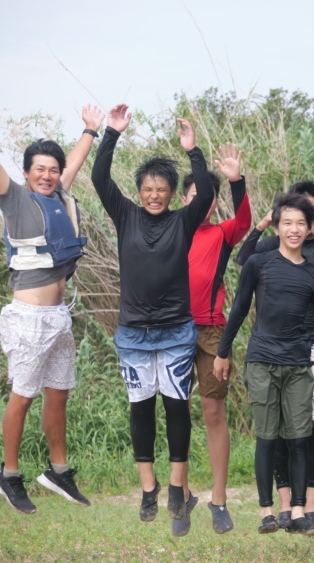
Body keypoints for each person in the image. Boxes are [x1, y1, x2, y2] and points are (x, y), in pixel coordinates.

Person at [0, 93, 103, 514]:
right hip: (28, 317)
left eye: (52, 170)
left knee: (59, 392)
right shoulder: (14, 198)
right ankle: (8, 475)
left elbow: (75, 162)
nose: (47, 176)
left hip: (58, 316)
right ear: (27, 174)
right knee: (23, 396)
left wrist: (90, 130)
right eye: (39, 170)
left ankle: (57, 470)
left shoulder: (58, 196)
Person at [91, 104, 214, 537]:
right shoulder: (125, 216)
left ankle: (178, 488)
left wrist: (193, 150)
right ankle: (149, 489)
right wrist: (112, 133)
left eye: (162, 188)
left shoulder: (183, 221)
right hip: (133, 335)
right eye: (148, 188)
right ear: (139, 190)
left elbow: (208, 192)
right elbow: (99, 179)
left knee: (177, 408)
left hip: (177, 332)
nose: (155, 195)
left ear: (170, 192)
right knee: (141, 410)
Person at [214, 193, 314, 537]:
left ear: (310, 227)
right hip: (262, 362)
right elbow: (238, 309)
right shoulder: (259, 263)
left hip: (300, 366)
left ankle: (299, 510)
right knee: (267, 437)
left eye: (301, 223)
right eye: (287, 223)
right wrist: (223, 353)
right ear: (278, 226)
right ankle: (267, 511)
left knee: (300, 438)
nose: (294, 229)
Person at [180, 143, 251, 533]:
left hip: (210, 330)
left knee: (212, 412)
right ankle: (182, 494)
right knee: (178, 415)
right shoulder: (169, 228)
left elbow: (244, 219)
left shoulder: (222, 233)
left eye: (209, 199)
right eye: (195, 196)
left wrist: (236, 181)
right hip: (171, 329)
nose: (202, 204)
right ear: (184, 199)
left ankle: (219, 501)